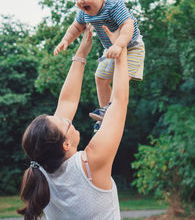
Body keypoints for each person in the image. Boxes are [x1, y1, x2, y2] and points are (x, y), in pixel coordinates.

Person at [17, 24, 129, 220]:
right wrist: (120, 47)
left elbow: (67, 101)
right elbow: (119, 102)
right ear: (65, 144)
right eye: (65, 123)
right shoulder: (91, 163)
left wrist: (81, 52)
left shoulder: (42, 173)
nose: (68, 119)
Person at [54, 0, 145, 130]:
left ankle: (114, 110)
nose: (80, 2)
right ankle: (105, 113)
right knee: (100, 77)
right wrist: (65, 40)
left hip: (132, 47)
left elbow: (127, 25)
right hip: (110, 49)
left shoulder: (113, 5)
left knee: (120, 80)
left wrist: (119, 44)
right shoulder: (84, 13)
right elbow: (76, 27)